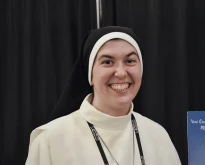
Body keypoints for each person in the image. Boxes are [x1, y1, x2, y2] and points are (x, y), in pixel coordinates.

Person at [25, 26, 182, 165]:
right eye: (107, 62)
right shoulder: (50, 140)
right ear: (90, 75)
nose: (121, 72)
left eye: (130, 61)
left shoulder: (158, 135)